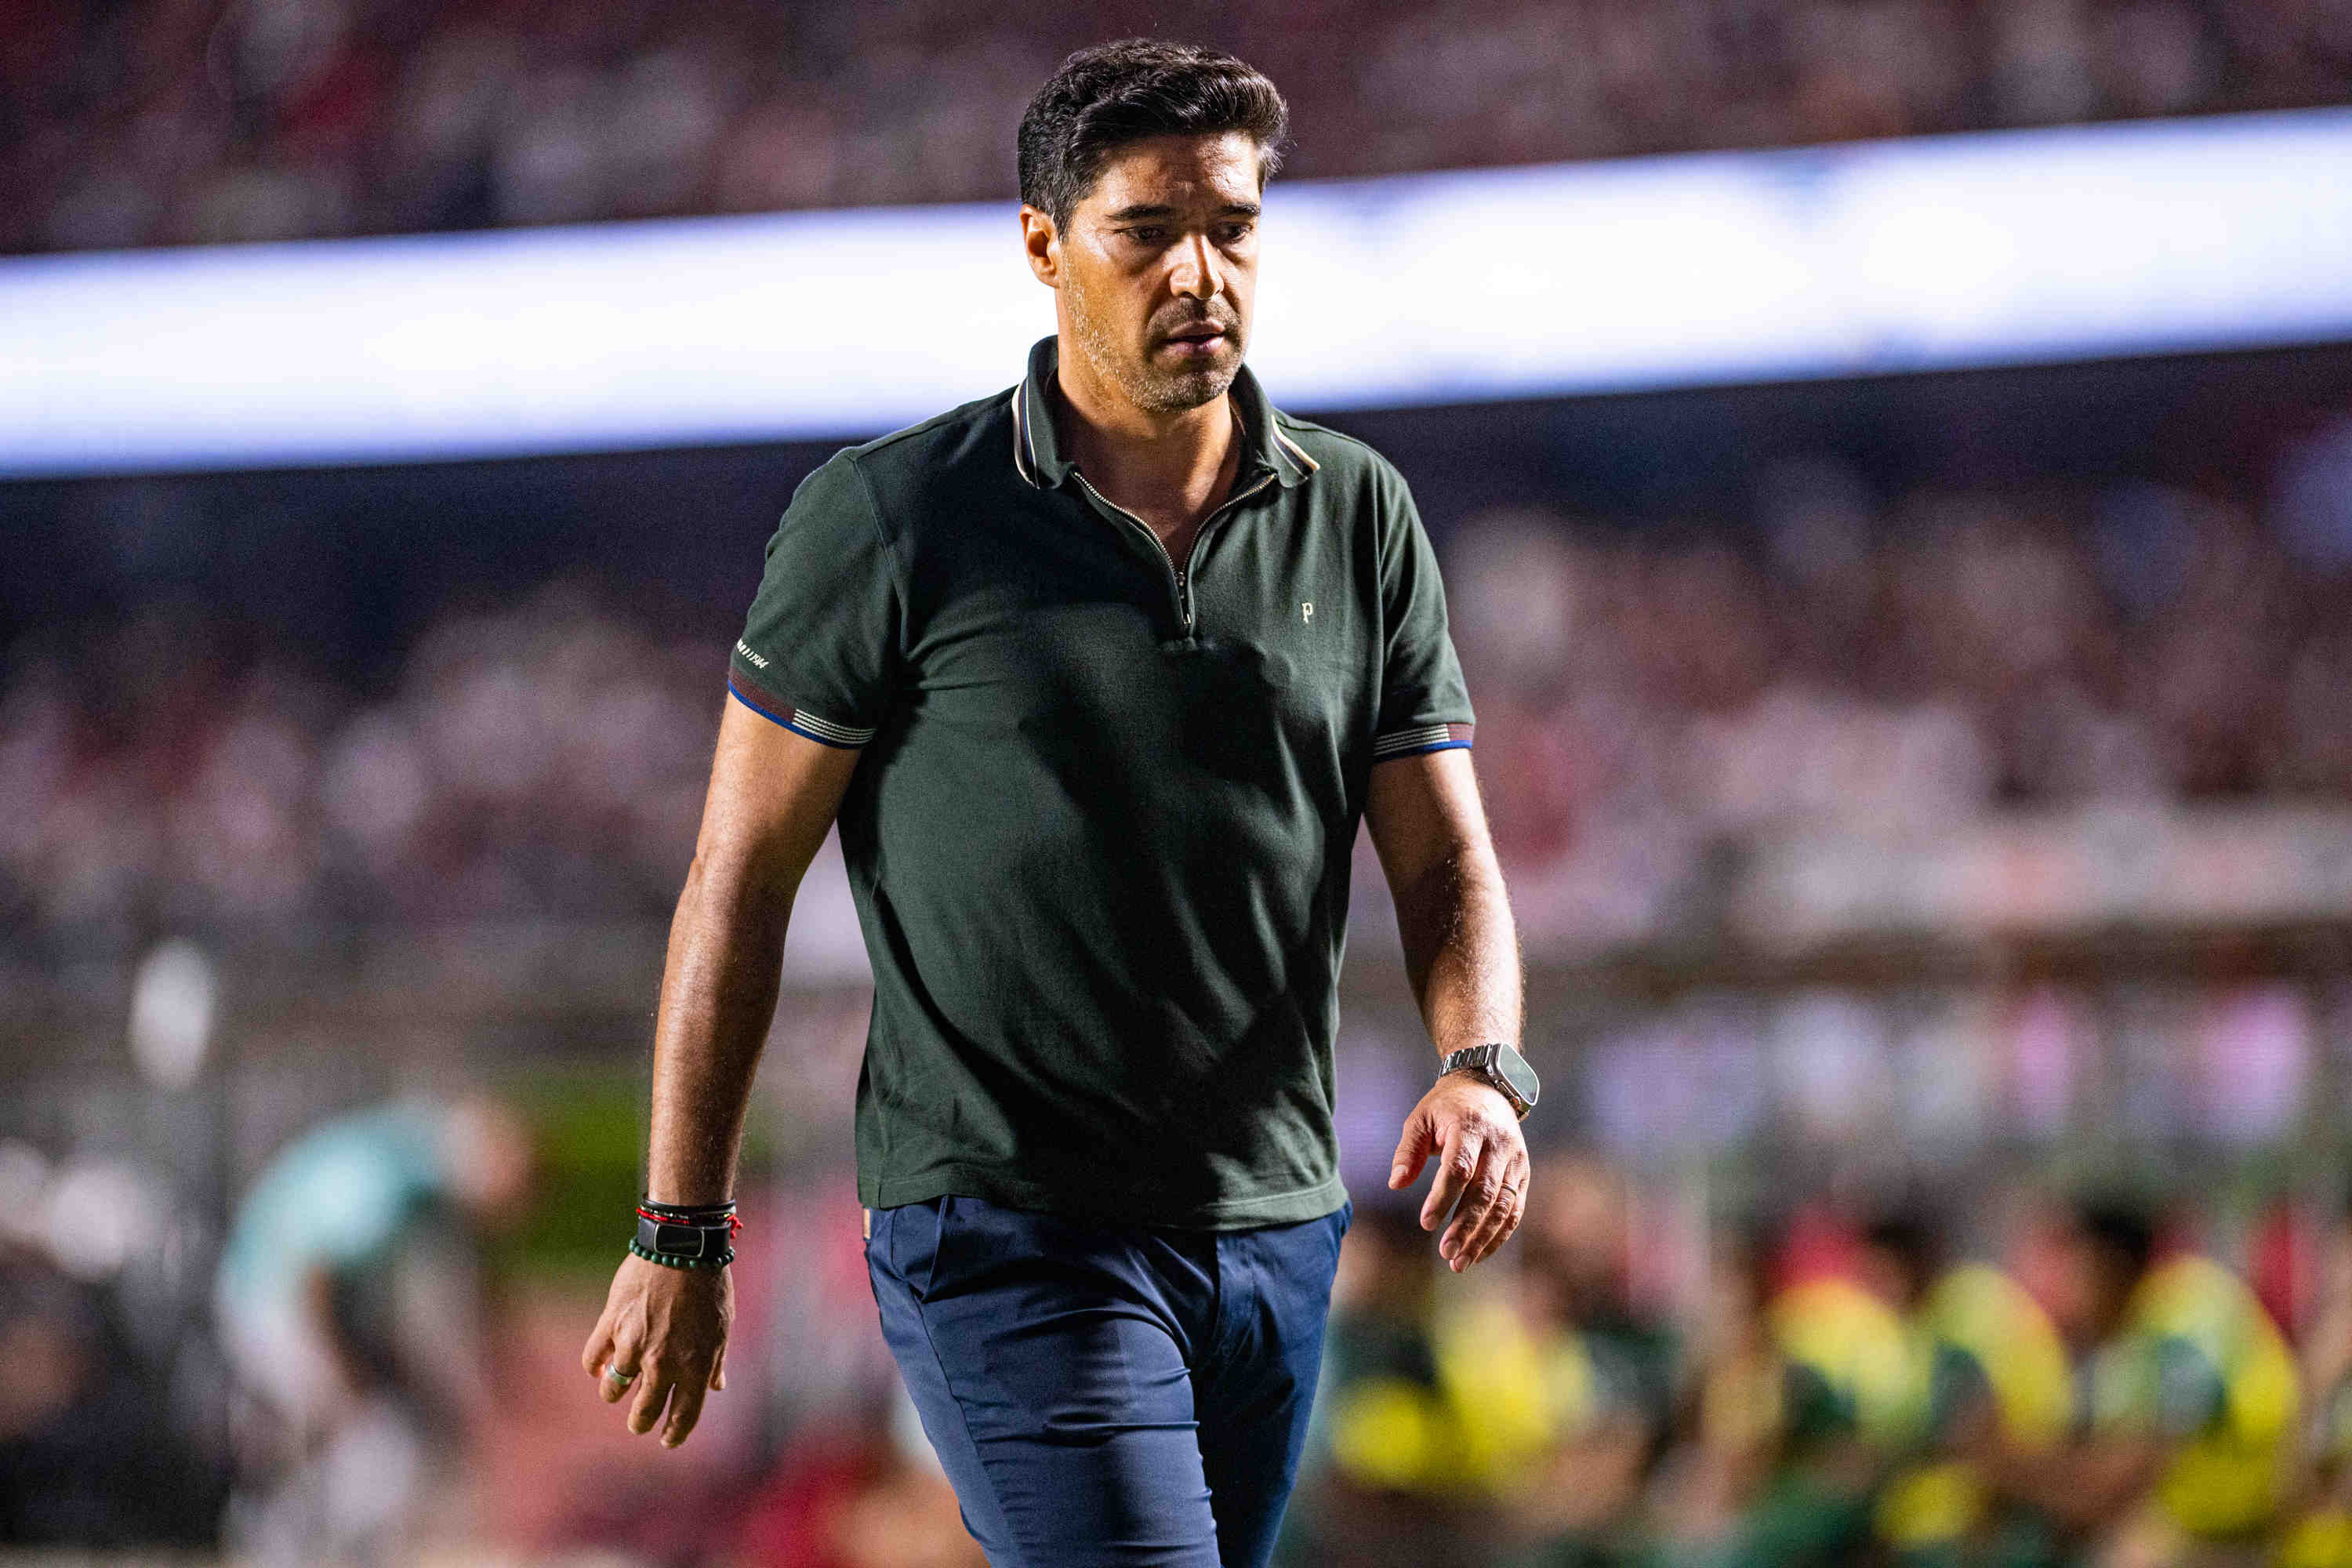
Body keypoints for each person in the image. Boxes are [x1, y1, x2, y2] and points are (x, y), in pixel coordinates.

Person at [579, 37, 1538, 1568]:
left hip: (1276, 1227)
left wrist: (1483, 1065)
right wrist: (680, 1227)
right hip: (1007, 1229)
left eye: (1231, 228)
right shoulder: (896, 518)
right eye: (1146, 231)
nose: (1200, 274)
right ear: (1043, 245)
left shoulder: (1358, 511)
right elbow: (738, 878)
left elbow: (1449, 862)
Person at [215, 1094, 533, 1563]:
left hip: (294, 1303)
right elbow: (312, 1280)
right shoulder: (393, 1187)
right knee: (382, 1443)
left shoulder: (421, 1164)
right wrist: (347, 1375)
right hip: (270, 1304)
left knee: (379, 1440)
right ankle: (287, 1544)